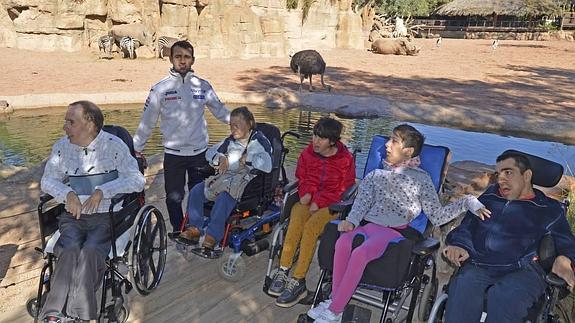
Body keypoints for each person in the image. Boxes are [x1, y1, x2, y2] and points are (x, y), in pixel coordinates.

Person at [309, 124, 490, 323]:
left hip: (392, 232)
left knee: (361, 253)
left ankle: (334, 310)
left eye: (394, 141)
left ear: (408, 151)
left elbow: (437, 215)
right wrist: (351, 221)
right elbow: (361, 203)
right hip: (368, 224)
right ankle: (337, 303)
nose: (387, 145)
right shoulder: (376, 175)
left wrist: (468, 202)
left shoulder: (421, 179)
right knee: (342, 242)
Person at [39, 101, 145, 323]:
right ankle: (53, 313)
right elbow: (47, 181)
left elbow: (136, 180)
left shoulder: (114, 146)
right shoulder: (62, 148)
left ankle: (81, 315)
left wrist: (103, 191)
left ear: (89, 123)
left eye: (71, 122)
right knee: (68, 250)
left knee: (90, 252)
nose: (65, 127)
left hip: (106, 214)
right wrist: (67, 194)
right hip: (73, 215)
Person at [443, 151, 575, 323]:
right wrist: (460, 244)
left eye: (508, 173)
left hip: (524, 270)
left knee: (503, 297)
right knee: (462, 286)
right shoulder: (491, 196)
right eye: (499, 174)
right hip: (481, 263)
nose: (501, 180)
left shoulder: (547, 209)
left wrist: (565, 259)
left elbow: (567, 242)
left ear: (526, 176)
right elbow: (468, 225)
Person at [133, 40, 230, 235]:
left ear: (193, 60)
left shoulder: (203, 86)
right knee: (173, 198)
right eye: (178, 57)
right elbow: (147, 122)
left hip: (199, 153)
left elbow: (221, 112)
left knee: (200, 194)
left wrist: (243, 125)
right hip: (173, 154)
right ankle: (179, 230)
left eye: (186, 57)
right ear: (171, 59)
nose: (182, 61)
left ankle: (195, 229)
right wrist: (135, 148)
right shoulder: (159, 89)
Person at [269, 117, 356, 307]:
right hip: (310, 200)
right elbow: (303, 175)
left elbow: (344, 189)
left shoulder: (345, 160)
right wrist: (307, 193)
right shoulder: (307, 153)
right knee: (296, 215)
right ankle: (283, 269)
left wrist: (319, 201)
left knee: (311, 227)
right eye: (315, 136)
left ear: (332, 141)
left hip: (332, 205)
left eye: (322, 138)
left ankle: (298, 279)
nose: (316, 141)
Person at [178, 106, 272, 253]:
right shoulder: (229, 141)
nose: (233, 130)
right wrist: (220, 158)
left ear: (250, 124)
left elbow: (268, 165)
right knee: (197, 190)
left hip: (246, 183)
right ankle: (195, 229)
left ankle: (212, 236)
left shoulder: (259, 142)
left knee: (224, 198)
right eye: (231, 126)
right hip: (226, 178)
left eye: (237, 126)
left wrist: (250, 158)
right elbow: (210, 153)